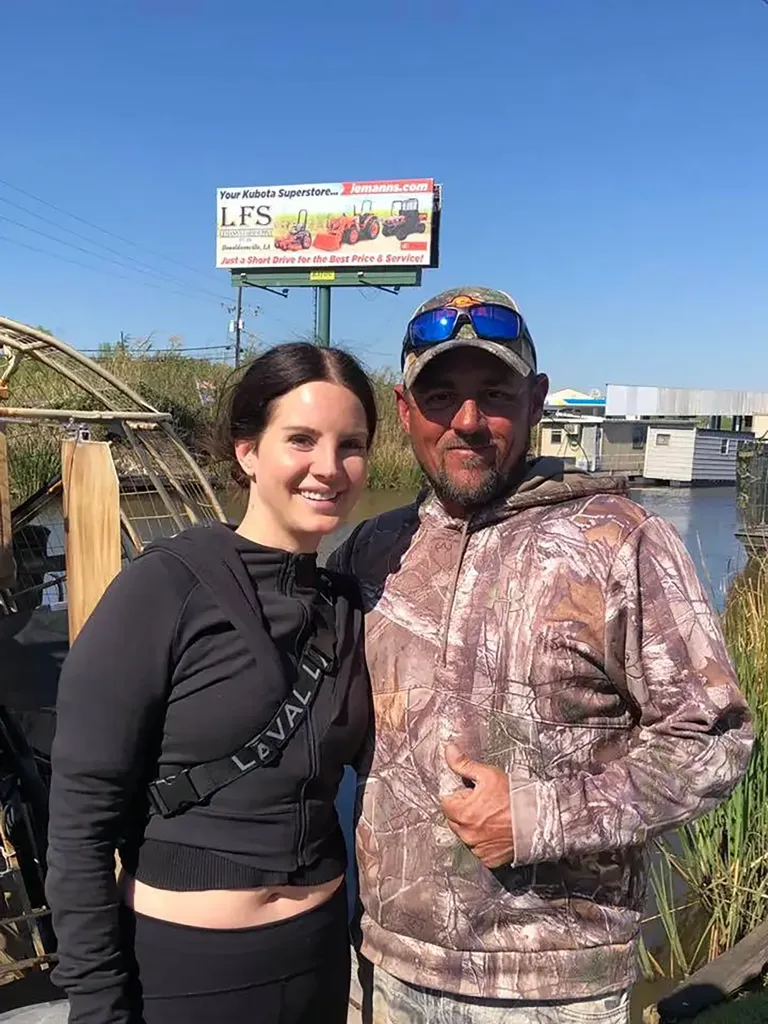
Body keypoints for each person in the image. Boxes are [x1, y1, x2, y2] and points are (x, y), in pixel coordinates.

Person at [330, 288, 754, 1024]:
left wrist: (541, 817)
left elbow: (714, 742)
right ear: (404, 411)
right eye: (441, 397)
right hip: (385, 970)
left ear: (536, 400)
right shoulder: (373, 550)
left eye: (493, 394)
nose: (467, 422)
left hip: (556, 987)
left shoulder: (620, 541)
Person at [46, 342, 377, 1024]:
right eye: (301, 440)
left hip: (319, 959)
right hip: (190, 970)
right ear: (247, 451)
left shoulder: (348, 604)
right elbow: (80, 824)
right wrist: (99, 1006)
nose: (329, 467)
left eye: (351, 445)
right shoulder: (162, 588)